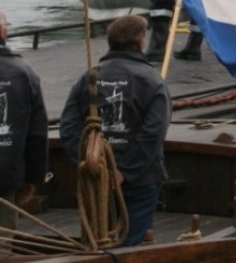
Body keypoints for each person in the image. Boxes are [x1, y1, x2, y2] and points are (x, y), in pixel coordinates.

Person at [59, 15, 170, 248]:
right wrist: (125, 172)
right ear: (141, 42)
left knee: (97, 241)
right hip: (140, 179)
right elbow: (153, 132)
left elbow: (69, 127)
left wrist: (90, 164)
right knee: (132, 245)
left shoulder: (88, 79)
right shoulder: (152, 81)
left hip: (96, 175)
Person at [0, 7, 48, 253]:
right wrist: (33, 179)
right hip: (6, 176)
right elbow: (37, 134)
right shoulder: (24, 73)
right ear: (3, 32)